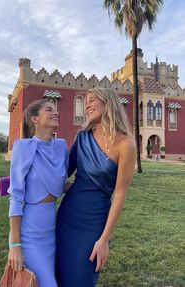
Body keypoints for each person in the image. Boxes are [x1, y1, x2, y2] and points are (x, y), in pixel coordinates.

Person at [56, 88, 136, 287]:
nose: (88, 106)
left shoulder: (126, 144)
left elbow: (119, 193)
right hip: (68, 215)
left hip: (94, 221)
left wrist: (104, 240)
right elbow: (61, 174)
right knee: (57, 274)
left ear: (107, 102)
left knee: (81, 278)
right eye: (85, 102)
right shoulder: (82, 137)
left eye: (92, 100)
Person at [7, 99, 68, 287]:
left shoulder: (61, 147)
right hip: (29, 234)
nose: (56, 112)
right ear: (35, 119)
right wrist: (15, 246)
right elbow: (16, 197)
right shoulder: (23, 148)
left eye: (56, 109)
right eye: (49, 109)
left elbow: (60, 184)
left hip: (51, 230)